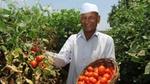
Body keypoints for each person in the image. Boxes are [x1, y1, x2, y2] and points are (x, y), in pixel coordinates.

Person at [47, 2, 115, 84]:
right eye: (84, 18)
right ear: (80, 20)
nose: (87, 21)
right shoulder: (73, 39)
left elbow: (111, 69)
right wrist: (46, 55)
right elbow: (62, 60)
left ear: (98, 19)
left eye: (91, 17)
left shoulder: (107, 40)